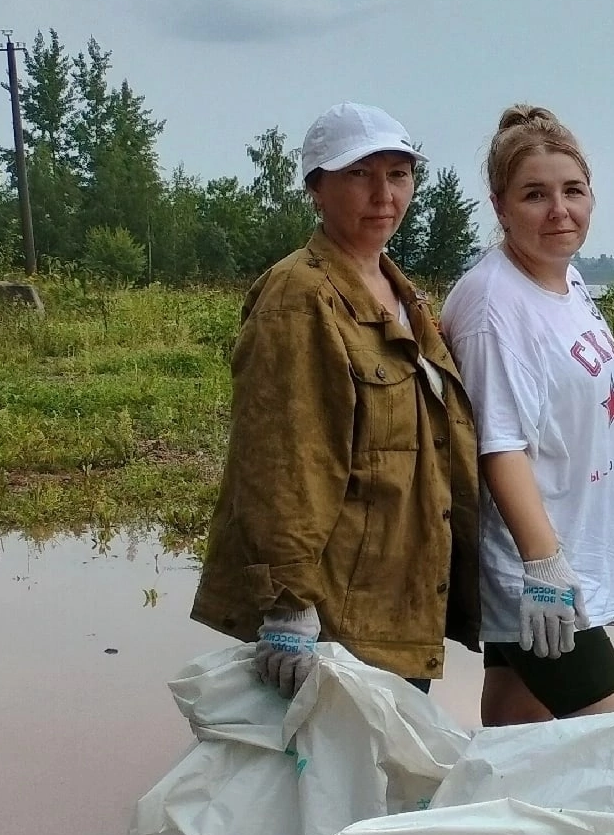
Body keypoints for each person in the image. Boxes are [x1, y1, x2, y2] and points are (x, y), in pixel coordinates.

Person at [192, 102, 477, 691]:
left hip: (392, 597)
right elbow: (283, 458)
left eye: (398, 175)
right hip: (332, 614)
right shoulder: (301, 296)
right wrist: (288, 605)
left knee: (381, 780)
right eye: (358, 175)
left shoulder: (400, 294)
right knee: (324, 780)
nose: (383, 195)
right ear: (316, 188)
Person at [442, 106, 614, 726]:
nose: (560, 211)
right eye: (535, 195)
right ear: (500, 206)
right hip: (541, 577)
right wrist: (544, 567)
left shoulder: (567, 281)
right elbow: (498, 446)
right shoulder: (492, 305)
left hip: (565, 561)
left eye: (572, 191)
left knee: (513, 754)